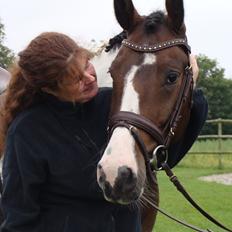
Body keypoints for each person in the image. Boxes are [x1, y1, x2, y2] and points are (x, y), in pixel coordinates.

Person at [0, 31, 207, 232]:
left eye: (87, 65)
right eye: (75, 78)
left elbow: (165, 152)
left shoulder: (111, 103)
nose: (89, 77)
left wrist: (188, 85)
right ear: (49, 89)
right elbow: (19, 217)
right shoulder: (27, 131)